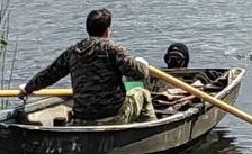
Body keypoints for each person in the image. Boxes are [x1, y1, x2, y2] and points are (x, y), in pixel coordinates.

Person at [19, 8, 152, 124]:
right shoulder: (113, 50)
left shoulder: (73, 51)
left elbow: (50, 74)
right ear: (107, 31)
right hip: (112, 115)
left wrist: (28, 88)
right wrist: (142, 65)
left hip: (82, 116)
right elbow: (140, 74)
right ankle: (150, 132)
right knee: (143, 93)